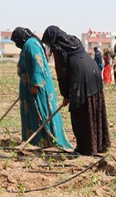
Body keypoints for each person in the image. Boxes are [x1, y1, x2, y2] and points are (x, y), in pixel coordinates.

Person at [41, 25, 110, 155]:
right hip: (94, 73)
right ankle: (99, 145)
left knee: (80, 113)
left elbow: (61, 73)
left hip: (81, 77)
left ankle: (86, 148)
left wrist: (66, 94)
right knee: (94, 107)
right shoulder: (73, 40)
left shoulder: (58, 47)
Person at [10, 27, 73, 151]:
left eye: (17, 41)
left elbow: (37, 63)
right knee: (32, 115)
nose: (17, 44)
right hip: (28, 88)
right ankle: (35, 140)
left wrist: (35, 84)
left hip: (36, 89)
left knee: (40, 114)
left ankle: (43, 140)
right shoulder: (29, 44)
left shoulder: (31, 44)